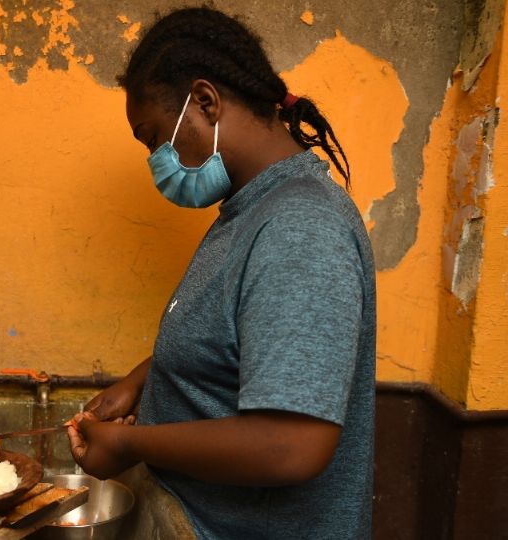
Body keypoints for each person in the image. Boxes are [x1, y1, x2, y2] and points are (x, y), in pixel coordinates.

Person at [66, 7, 376, 540]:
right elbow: (238, 329)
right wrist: (143, 381)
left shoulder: (301, 227)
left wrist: (130, 444)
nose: (156, 162)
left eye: (155, 139)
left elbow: (291, 446)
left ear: (205, 103)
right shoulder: (250, 208)